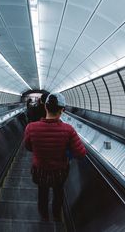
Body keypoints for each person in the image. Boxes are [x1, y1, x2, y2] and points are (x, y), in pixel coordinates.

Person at [23, 93, 86, 222]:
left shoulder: (31, 128)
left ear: (45, 107)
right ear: (62, 110)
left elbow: (28, 147)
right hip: (60, 171)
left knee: (42, 193)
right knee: (58, 193)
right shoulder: (69, 130)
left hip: (40, 170)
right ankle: (57, 215)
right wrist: (68, 151)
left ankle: (44, 215)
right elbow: (81, 153)